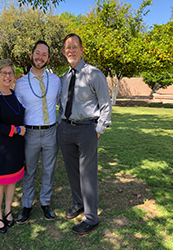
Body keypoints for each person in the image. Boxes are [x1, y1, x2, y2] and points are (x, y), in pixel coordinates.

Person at [57, 34, 112, 235]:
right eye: (67, 48)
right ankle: (78, 203)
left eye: (74, 47)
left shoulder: (94, 74)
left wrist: (98, 130)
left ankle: (91, 218)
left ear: (82, 50)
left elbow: (106, 104)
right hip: (66, 129)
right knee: (72, 171)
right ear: (63, 52)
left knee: (87, 174)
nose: (70, 51)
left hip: (87, 129)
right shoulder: (64, 77)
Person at [14, 40, 61, 224]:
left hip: (51, 132)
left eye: (44, 54)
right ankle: (26, 205)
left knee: (49, 170)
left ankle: (45, 203)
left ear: (48, 59)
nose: (40, 57)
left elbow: (61, 103)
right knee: (29, 171)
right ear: (31, 55)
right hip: (30, 134)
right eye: (37, 53)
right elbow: (17, 111)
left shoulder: (56, 80)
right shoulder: (21, 83)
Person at [0, 59, 26, 233]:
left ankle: (8, 211)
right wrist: (17, 129)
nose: (8, 76)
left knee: (12, 180)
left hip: (16, 146)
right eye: (4, 73)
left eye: (10, 73)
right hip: (0, 147)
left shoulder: (15, 94)